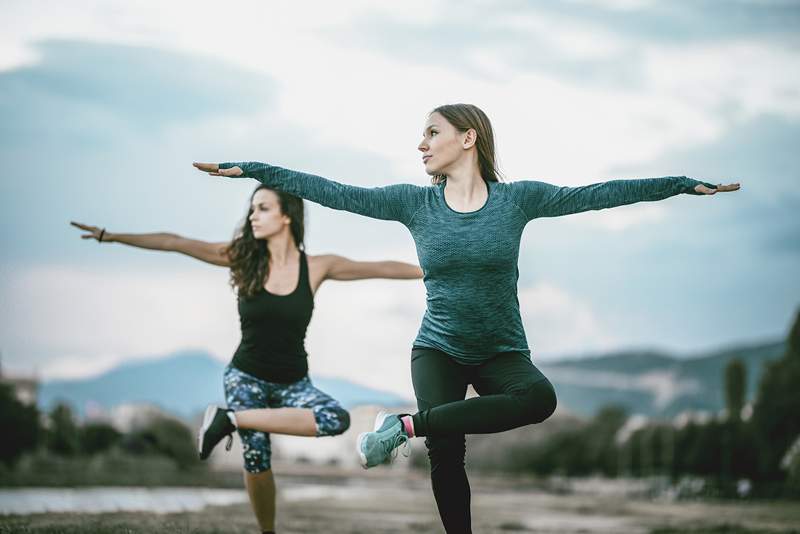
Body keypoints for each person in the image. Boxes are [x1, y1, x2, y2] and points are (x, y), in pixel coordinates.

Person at [194, 103, 740, 533]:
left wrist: (677, 183)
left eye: (432, 133)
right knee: (447, 457)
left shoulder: (518, 200)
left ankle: (401, 426)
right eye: (422, 135)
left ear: (468, 137)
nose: (421, 144)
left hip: (504, 351)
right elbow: (335, 193)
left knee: (540, 400)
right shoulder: (413, 203)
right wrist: (257, 170)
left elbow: (596, 195)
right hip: (439, 350)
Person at [71, 185, 423, 534]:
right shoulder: (242, 258)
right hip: (246, 377)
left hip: (293, 383)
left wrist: (438, 269)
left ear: (286, 216)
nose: (252, 215)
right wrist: (111, 236)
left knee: (335, 418)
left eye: (263, 208)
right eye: (252, 208)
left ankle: (229, 419)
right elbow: (174, 241)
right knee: (257, 457)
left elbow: (380, 267)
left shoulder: (316, 267)